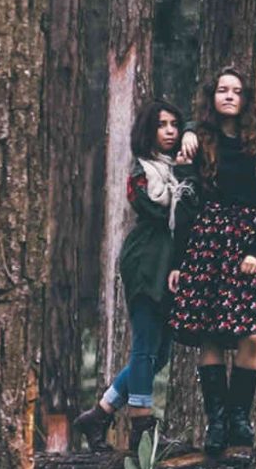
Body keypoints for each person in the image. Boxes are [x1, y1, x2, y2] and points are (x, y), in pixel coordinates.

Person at [71, 98, 194, 451]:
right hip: (145, 261)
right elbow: (161, 212)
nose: (169, 131)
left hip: (171, 264)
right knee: (144, 345)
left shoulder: (179, 167)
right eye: (161, 125)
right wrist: (184, 180)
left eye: (174, 124)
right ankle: (141, 426)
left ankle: (100, 413)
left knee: (162, 354)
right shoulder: (142, 173)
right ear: (148, 131)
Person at [167, 65, 256, 455]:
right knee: (209, 332)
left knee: (251, 333)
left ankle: (239, 418)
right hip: (206, 242)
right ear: (213, 97)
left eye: (237, 91)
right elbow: (186, 203)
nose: (229, 96)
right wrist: (179, 262)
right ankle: (216, 423)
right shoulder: (199, 142)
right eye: (222, 90)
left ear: (245, 100)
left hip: (246, 242)